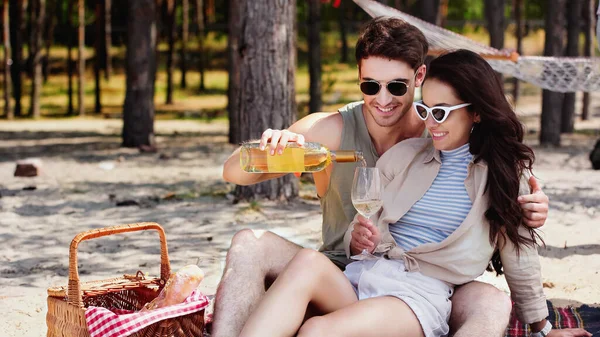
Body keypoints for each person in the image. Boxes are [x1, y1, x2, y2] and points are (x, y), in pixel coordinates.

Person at [217, 18, 550, 337]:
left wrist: (541, 324)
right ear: (359, 78)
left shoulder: (466, 150)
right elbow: (232, 172)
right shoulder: (356, 138)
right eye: (370, 85)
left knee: (489, 303)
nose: (383, 98)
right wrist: (274, 147)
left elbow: (515, 241)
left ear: (418, 76)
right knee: (276, 252)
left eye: (397, 86)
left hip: (423, 287)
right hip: (354, 272)